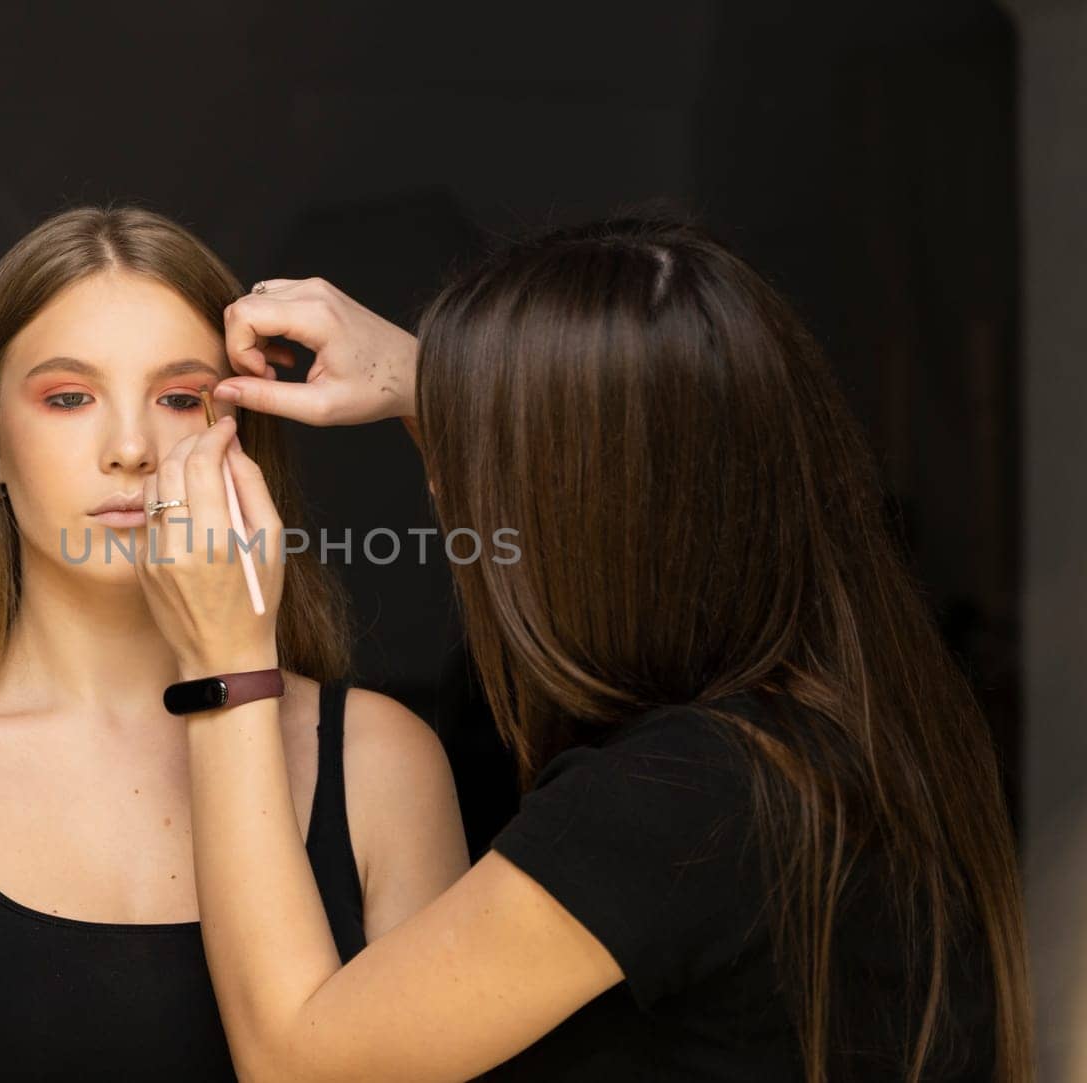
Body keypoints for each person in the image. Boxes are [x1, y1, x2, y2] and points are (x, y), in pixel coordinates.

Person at [133, 215, 1033, 1081]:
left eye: (482, 465)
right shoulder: (826, 734)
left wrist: (227, 661)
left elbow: (301, 1061)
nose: (446, 494)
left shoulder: (681, 801)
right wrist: (439, 376)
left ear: (591, 516)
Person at [0, 206, 470, 1080]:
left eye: (180, 399)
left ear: (239, 430)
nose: (131, 448)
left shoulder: (383, 762)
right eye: (68, 397)